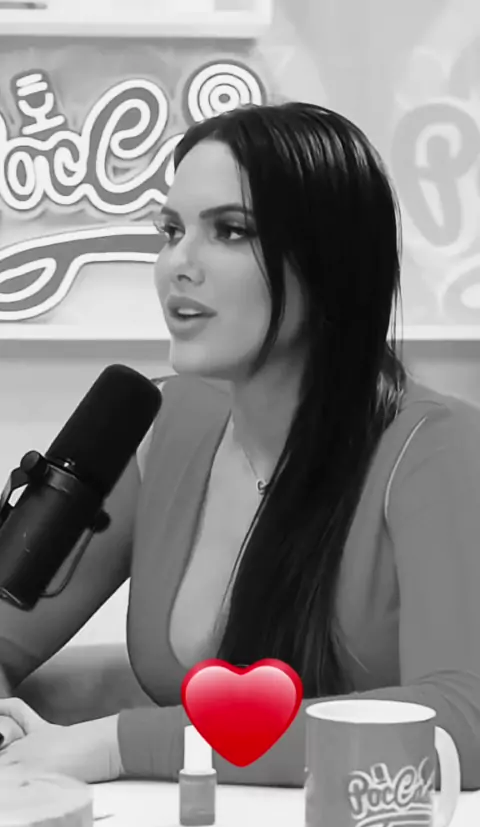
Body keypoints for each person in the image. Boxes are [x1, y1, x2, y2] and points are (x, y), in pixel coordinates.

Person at [0, 101, 480, 788]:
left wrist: (122, 745)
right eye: (171, 232)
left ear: (330, 260)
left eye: (230, 231)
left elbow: (460, 722)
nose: (178, 265)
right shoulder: (160, 425)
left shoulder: (437, 449)